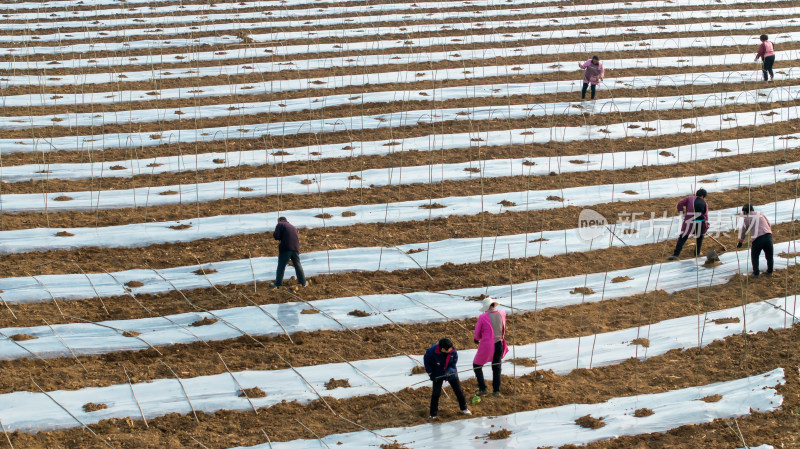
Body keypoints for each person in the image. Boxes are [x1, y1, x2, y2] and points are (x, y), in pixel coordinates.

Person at [423, 338, 471, 419]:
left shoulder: (453, 351)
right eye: (448, 349)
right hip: (437, 373)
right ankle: (433, 414)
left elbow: (453, 363)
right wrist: (431, 374)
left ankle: (464, 409)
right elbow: (427, 362)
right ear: (442, 349)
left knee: (459, 391)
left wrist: (450, 371)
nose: (451, 350)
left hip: (451, 373)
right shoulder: (431, 352)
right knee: (436, 394)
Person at [473, 297, 508, 397]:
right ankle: (496, 391)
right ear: (493, 305)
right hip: (499, 344)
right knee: (496, 367)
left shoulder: (482, 317)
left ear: (486, 307)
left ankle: (483, 388)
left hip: (488, 345)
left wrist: (476, 339)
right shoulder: (502, 313)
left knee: (477, 365)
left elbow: (477, 331)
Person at [668, 189, 709, 260]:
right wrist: (706, 226)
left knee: (683, 236)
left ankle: (676, 254)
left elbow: (680, 203)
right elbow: (705, 216)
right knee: (699, 237)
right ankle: (697, 253)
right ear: (702, 196)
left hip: (688, 220)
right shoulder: (705, 204)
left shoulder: (690, 198)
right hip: (700, 221)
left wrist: (682, 213)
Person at [270, 217, 308, 287]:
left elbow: (276, 236)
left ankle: (278, 284)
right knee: (297, 265)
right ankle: (303, 282)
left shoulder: (279, 224)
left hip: (286, 248)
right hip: (296, 248)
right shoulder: (293, 227)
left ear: (279, 221)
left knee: (281, 266)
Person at [737, 204, 773, 277]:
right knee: (769, 256)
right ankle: (770, 272)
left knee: (755, 256)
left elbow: (744, 231)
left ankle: (756, 273)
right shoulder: (760, 214)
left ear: (745, 212)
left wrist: (740, 242)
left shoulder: (747, 218)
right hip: (768, 236)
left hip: (758, 239)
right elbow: (768, 224)